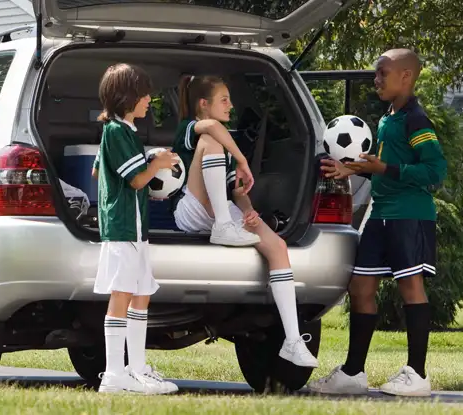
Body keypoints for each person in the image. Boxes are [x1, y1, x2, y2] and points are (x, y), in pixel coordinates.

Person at [308, 48, 447, 397]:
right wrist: (349, 169)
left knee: (410, 288)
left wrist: (382, 169)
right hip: (381, 214)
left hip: (409, 216)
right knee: (360, 288)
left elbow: (435, 171)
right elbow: (379, 165)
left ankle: (417, 374)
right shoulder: (388, 118)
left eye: (383, 73)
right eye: (376, 73)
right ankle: (353, 372)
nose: (376, 79)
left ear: (406, 76)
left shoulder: (417, 120)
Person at [171, 75, 318, 369]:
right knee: (211, 139)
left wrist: (249, 211)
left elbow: (237, 192)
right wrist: (242, 158)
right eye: (224, 99)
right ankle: (224, 227)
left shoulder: (225, 148)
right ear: (204, 104)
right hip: (191, 209)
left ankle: (292, 340)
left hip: (221, 210)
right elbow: (211, 127)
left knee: (276, 246)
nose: (231, 105)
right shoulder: (189, 129)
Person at [93, 62, 179, 395]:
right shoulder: (115, 132)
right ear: (127, 96)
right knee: (122, 295)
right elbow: (137, 180)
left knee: (141, 295)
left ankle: (137, 369)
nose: (148, 100)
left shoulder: (123, 132)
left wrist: (145, 165)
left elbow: (98, 173)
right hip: (122, 230)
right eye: (144, 95)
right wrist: (155, 164)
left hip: (136, 231)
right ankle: (114, 374)